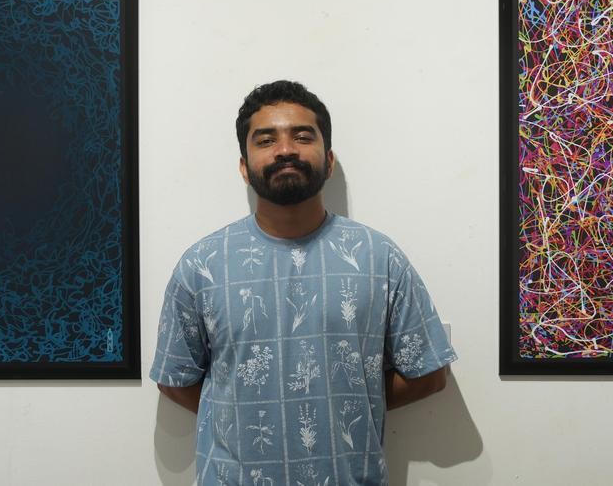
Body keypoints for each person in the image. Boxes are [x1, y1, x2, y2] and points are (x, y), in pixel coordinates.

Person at [151, 80, 457, 486]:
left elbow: (429, 375)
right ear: (244, 166)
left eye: (302, 136)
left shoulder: (378, 258)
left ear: (328, 161)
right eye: (266, 140)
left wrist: (349, 402)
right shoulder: (201, 265)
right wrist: (243, 409)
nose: (285, 150)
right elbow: (174, 380)